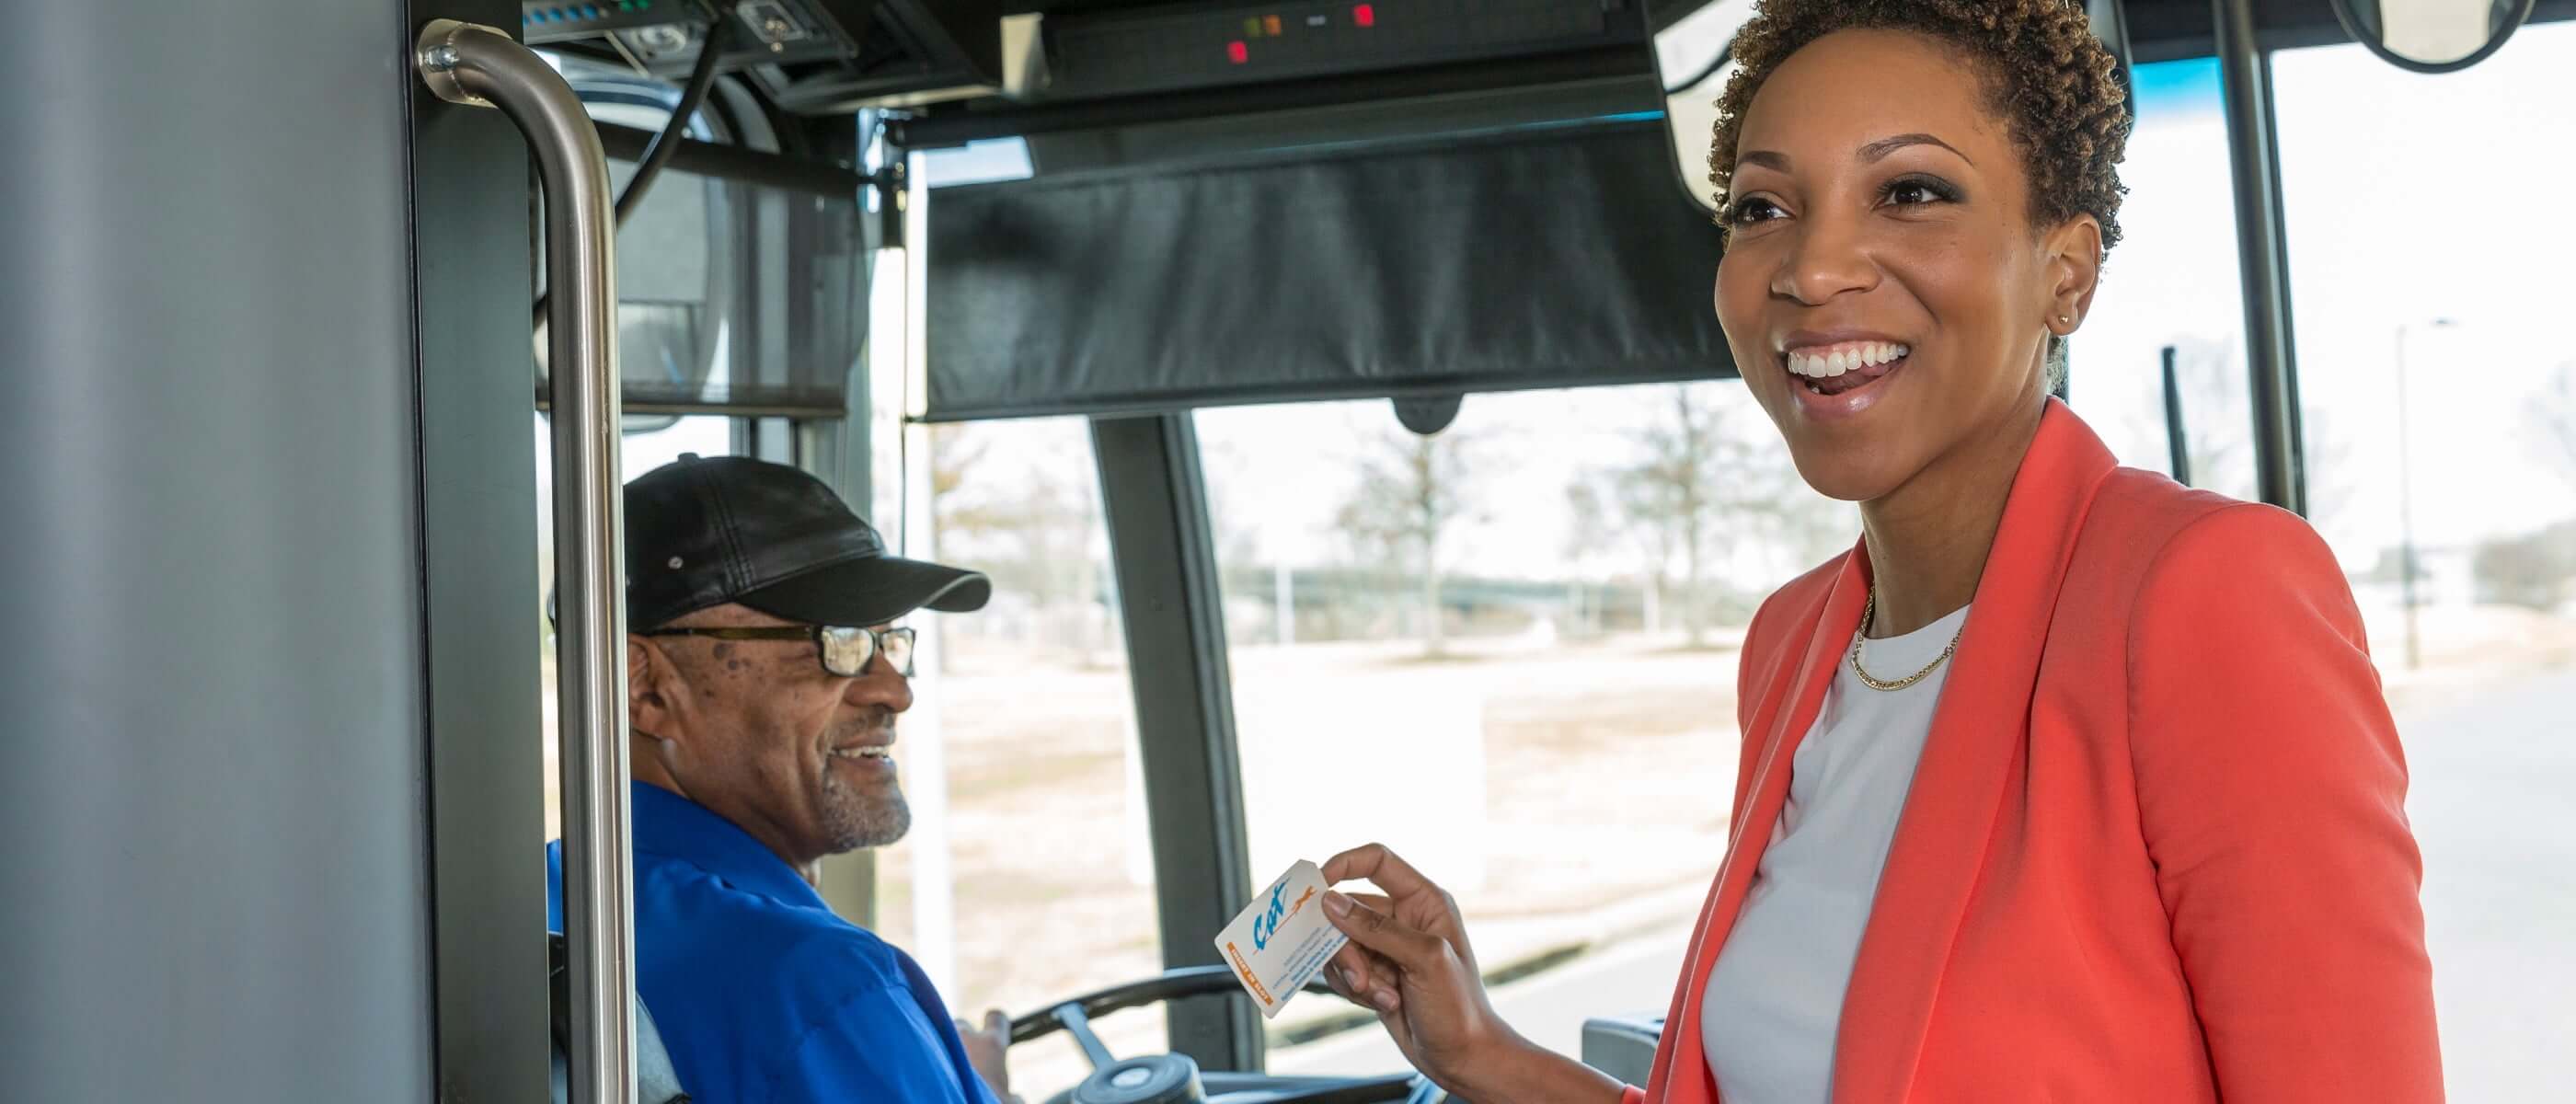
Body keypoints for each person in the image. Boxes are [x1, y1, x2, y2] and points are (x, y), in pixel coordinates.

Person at [1311, 2, 2443, 1101]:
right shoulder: (1792, 643)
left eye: (1909, 192)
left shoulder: (2205, 592)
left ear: (2067, 272)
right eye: (1761, 209)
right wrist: (1483, 1054)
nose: (1812, 267)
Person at [546, 454, 1024, 1104]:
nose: (895, 690)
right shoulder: (821, 988)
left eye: (889, 642)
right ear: (645, 687)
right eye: (840, 641)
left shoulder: (557, 896)